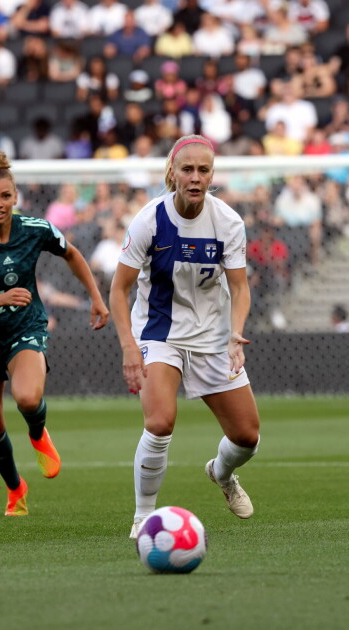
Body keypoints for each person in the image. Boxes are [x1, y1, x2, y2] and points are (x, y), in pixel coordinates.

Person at [109, 134, 261, 539]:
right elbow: (118, 288)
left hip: (212, 338)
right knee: (160, 423)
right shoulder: (148, 220)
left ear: (212, 175)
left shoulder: (228, 222)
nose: (195, 178)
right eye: (188, 169)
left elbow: (241, 288)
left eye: (204, 170)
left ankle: (221, 473)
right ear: (172, 173)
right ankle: (143, 517)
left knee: (246, 437)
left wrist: (235, 334)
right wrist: (128, 346)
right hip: (161, 334)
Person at [0, 149, 109, 516]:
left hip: (24, 327)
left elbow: (72, 254)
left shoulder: (35, 229)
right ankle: (15, 487)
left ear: (15, 196)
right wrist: (2, 297)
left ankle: (37, 432)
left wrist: (96, 299)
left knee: (26, 398)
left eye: (5, 196)